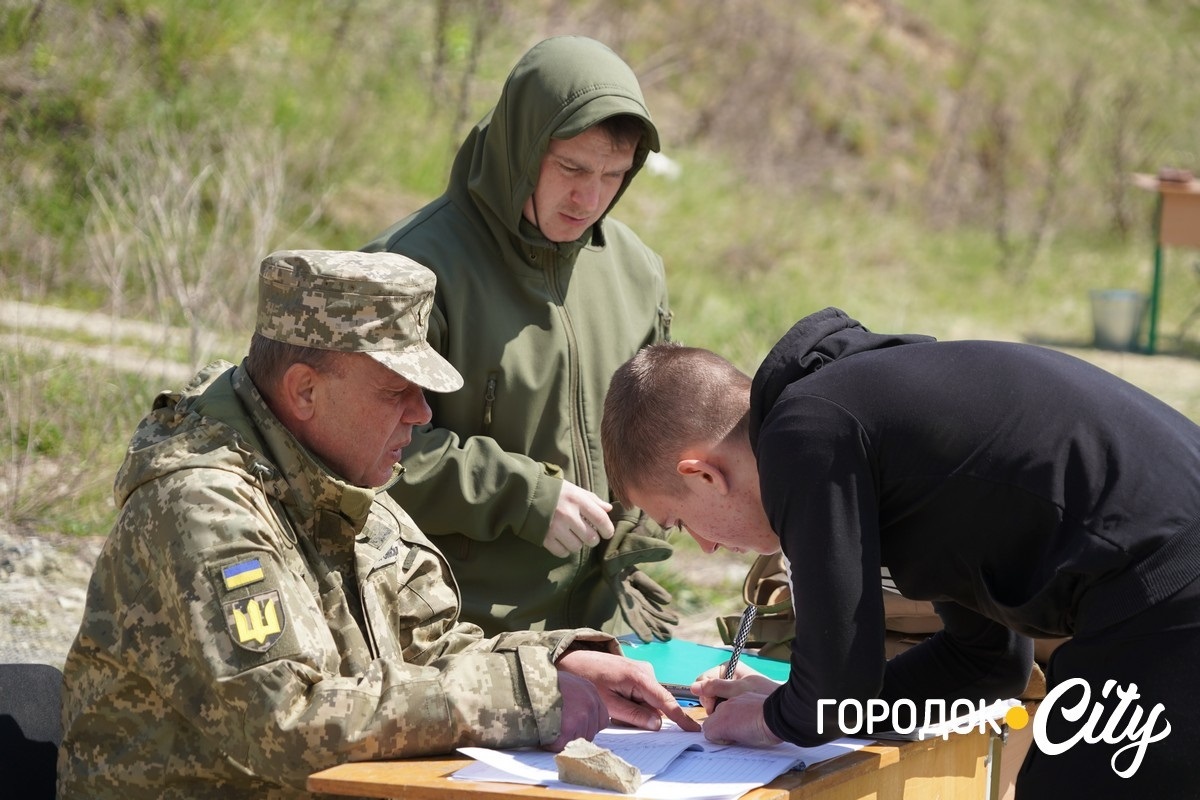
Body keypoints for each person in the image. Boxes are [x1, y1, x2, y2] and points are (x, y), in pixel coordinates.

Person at [57, 250, 697, 799]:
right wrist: (527, 694)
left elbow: (434, 652)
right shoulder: (202, 508)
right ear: (305, 391)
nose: (421, 415)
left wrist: (563, 662)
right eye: (396, 392)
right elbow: (287, 723)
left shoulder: (347, 479)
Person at [600, 307, 1200, 799]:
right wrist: (790, 705)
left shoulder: (805, 434)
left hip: (1165, 592)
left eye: (677, 521)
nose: (705, 545)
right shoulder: (868, 424)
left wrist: (777, 717)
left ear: (702, 474)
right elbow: (986, 664)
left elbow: (835, 695)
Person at [362, 35, 677, 643]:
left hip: (611, 623)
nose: (590, 198)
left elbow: (654, 429)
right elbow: (357, 453)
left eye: (614, 175)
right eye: (572, 169)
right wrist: (522, 496)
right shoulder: (410, 269)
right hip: (459, 631)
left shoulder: (637, 271)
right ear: (520, 148)